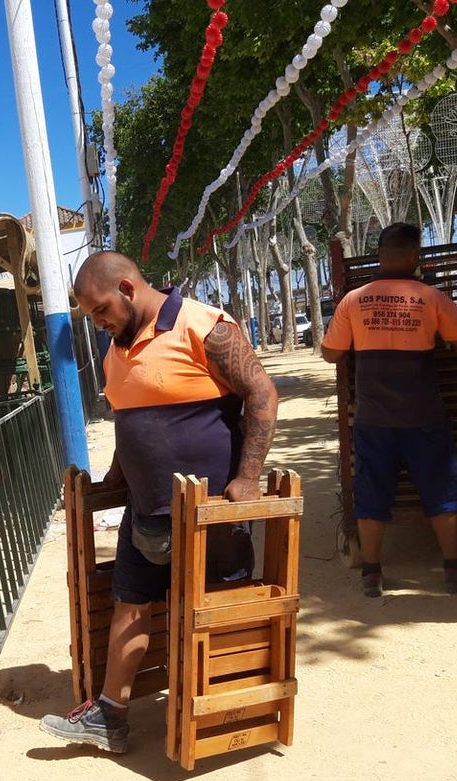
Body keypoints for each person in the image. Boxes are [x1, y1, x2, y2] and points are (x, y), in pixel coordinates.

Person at [39, 250, 278, 754]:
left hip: (209, 513)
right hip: (145, 512)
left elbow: (261, 395)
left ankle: (229, 712)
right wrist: (111, 480)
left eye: (102, 310)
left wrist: (248, 478)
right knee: (130, 607)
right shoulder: (114, 352)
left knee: (218, 609)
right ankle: (110, 716)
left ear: (127, 289)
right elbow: (133, 426)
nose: (100, 323)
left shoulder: (204, 326)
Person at [321, 222, 457, 597]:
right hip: (424, 415)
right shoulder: (432, 298)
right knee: (440, 490)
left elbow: (330, 353)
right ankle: (453, 569)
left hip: (374, 418)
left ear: (380, 255)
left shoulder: (353, 301)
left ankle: (372, 574)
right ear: (414, 256)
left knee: (372, 492)